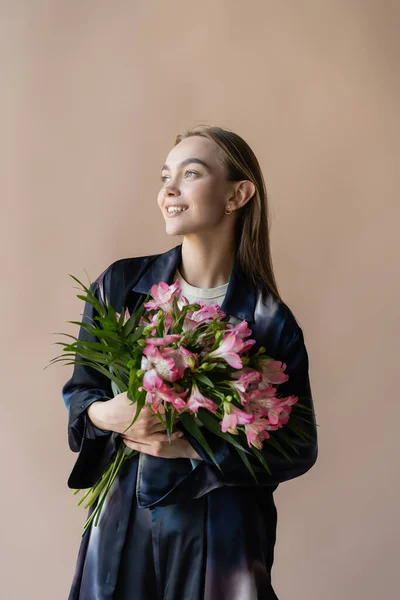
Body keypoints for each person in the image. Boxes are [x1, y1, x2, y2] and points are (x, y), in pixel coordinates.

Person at [62, 124, 318, 600]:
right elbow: (82, 394)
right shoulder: (120, 286)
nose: (169, 190)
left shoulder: (268, 321)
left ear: (237, 194)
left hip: (224, 536)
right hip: (125, 525)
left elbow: (297, 447)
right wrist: (109, 414)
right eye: (166, 176)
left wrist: (194, 449)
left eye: (191, 173)